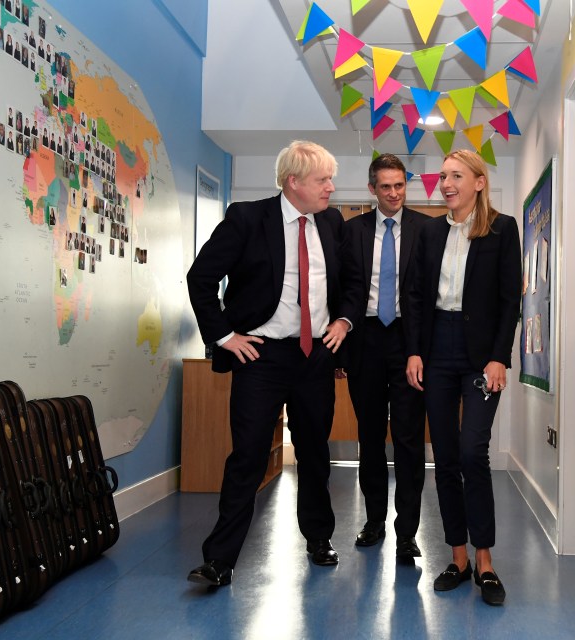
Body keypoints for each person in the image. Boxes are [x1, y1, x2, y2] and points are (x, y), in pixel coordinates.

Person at [186, 140, 349, 588]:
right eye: (323, 180)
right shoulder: (247, 218)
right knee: (248, 456)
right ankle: (220, 560)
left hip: (315, 356)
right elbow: (200, 278)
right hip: (262, 356)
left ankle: (318, 538)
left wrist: (344, 320)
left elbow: (348, 282)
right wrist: (223, 336)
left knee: (316, 453)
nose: (331, 188)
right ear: (293, 182)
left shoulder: (332, 223)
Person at [404, 149, 521, 606]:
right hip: (436, 351)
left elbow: (510, 299)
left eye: (456, 175)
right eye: (443, 175)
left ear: (478, 182)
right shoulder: (431, 232)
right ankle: (458, 557)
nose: (446, 182)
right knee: (447, 456)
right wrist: (414, 350)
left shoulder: (501, 228)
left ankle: (486, 561)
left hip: (479, 355)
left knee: (474, 452)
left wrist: (499, 358)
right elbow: (415, 296)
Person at [338, 154, 426, 560]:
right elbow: (340, 288)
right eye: (385, 187)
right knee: (370, 437)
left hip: (409, 344)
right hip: (366, 341)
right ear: (372, 189)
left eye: (400, 186)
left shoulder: (426, 229)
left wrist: (422, 349)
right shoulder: (350, 230)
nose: (394, 194)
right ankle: (374, 521)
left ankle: (407, 531)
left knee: (408, 440)